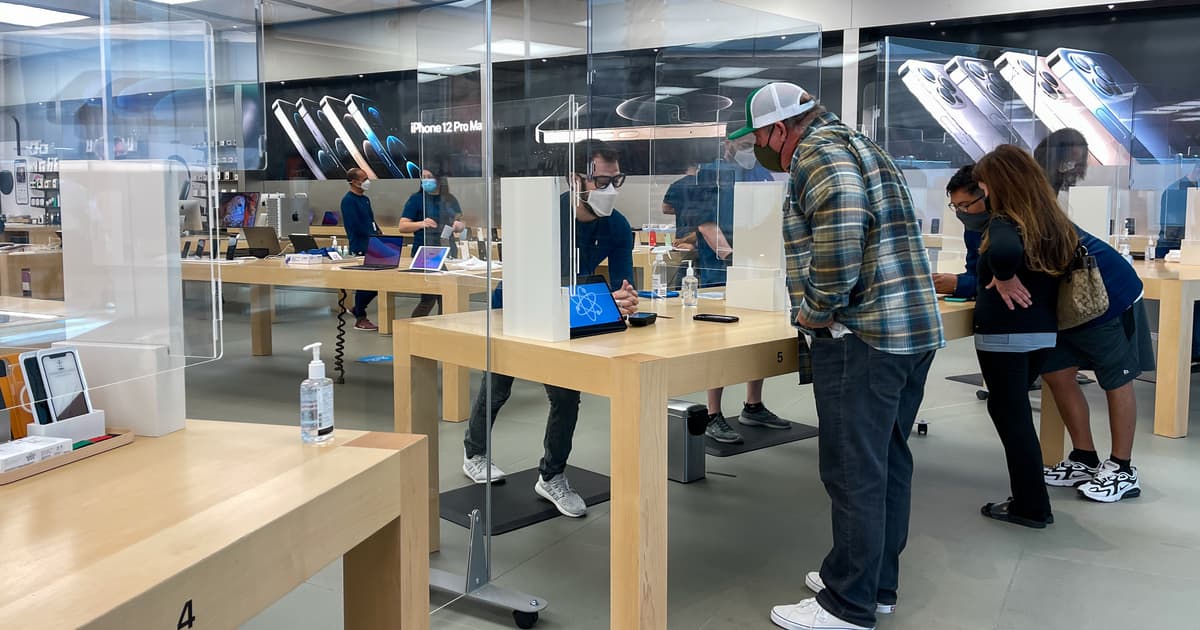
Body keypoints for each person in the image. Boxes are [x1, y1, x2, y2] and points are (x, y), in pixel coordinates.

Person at [730, 83, 944, 630]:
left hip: (861, 336)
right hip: (908, 330)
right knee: (887, 460)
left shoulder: (817, 152)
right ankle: (876, 584)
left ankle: (848, 604)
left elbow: (843, 226)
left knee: (852, 471)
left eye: (758, 137)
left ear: (781, 128)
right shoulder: (862, 145)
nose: (759, 147)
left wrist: (817, 309)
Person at [461, 144, 639, 518]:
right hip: (516, 305)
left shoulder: (619, 226)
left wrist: (624, 298)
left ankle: (552, 475)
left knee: (566, 395)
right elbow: (533, 278)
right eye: (602, 180)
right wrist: (601, 299)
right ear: (576, 180)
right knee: (497, 386)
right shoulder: (544, 214)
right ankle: (474, 452)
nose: (610, 189)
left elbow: (624, 283)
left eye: (615, 180)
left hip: (567, 309)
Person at [1031, 131, 1155, 502]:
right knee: (1056, 372)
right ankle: (1084, 457)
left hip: (1107, 296)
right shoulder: (1034, 198)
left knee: (1116, 379)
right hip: (1067, 305)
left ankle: (1122, 468)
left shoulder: (1037, 202)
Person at [971, 144, 1078, 529]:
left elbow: (1002, 250)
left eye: (984, 184)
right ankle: (1031, 500)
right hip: (1042, 335)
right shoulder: (1051, 222)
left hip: (1004, 334)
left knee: (1011, 417)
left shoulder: (1005, 221)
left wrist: (1003, 275)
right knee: (1015, 415)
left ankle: (1031, 506)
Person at [692, 121, 793, 444]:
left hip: (757, 268)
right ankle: (712, 413)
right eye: (747, 145)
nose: (752, 150)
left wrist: (766, 256)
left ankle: (753, 404)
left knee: (755, 335)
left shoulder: (761, 173)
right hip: (720, 269)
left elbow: (769, 216)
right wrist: (732, 256)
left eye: (755, 143)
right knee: (718, 341)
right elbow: (705, 222)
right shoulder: (711, 172)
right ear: (729, 143)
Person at [399, 169, 464, 318]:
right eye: (423, 177)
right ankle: (414, 329)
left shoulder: (449, 199)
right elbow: (402, 226)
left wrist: (459, 225)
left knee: (447, 297)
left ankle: (443, 329)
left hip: (447, 251)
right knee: (428, 298)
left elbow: (458, 220)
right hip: (425, 252)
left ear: (439, 179)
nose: (426, 180)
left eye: (430, 177)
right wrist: (422, 223)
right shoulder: (416, 199)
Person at [932, 165, 984, 298]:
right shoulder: (972, 229)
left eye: (964, 205)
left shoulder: (1010, 231)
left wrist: (959, 284)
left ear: (986, 196)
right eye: (955, 206)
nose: (960, 212)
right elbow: (974, 272)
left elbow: (1008, 285)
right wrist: (945, 281)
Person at [342, 168, 381, 331]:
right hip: (360, 247)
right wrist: (371, 236)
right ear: (354, 181)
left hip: (373, 245)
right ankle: (360, 317)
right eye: (364, 179)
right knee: (366, 283)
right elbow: (355, 226)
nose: (367, 181)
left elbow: (371, 220)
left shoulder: (365, 199)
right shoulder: (348, 201)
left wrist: (378, 234)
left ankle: (357, 308)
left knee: (379, 282)